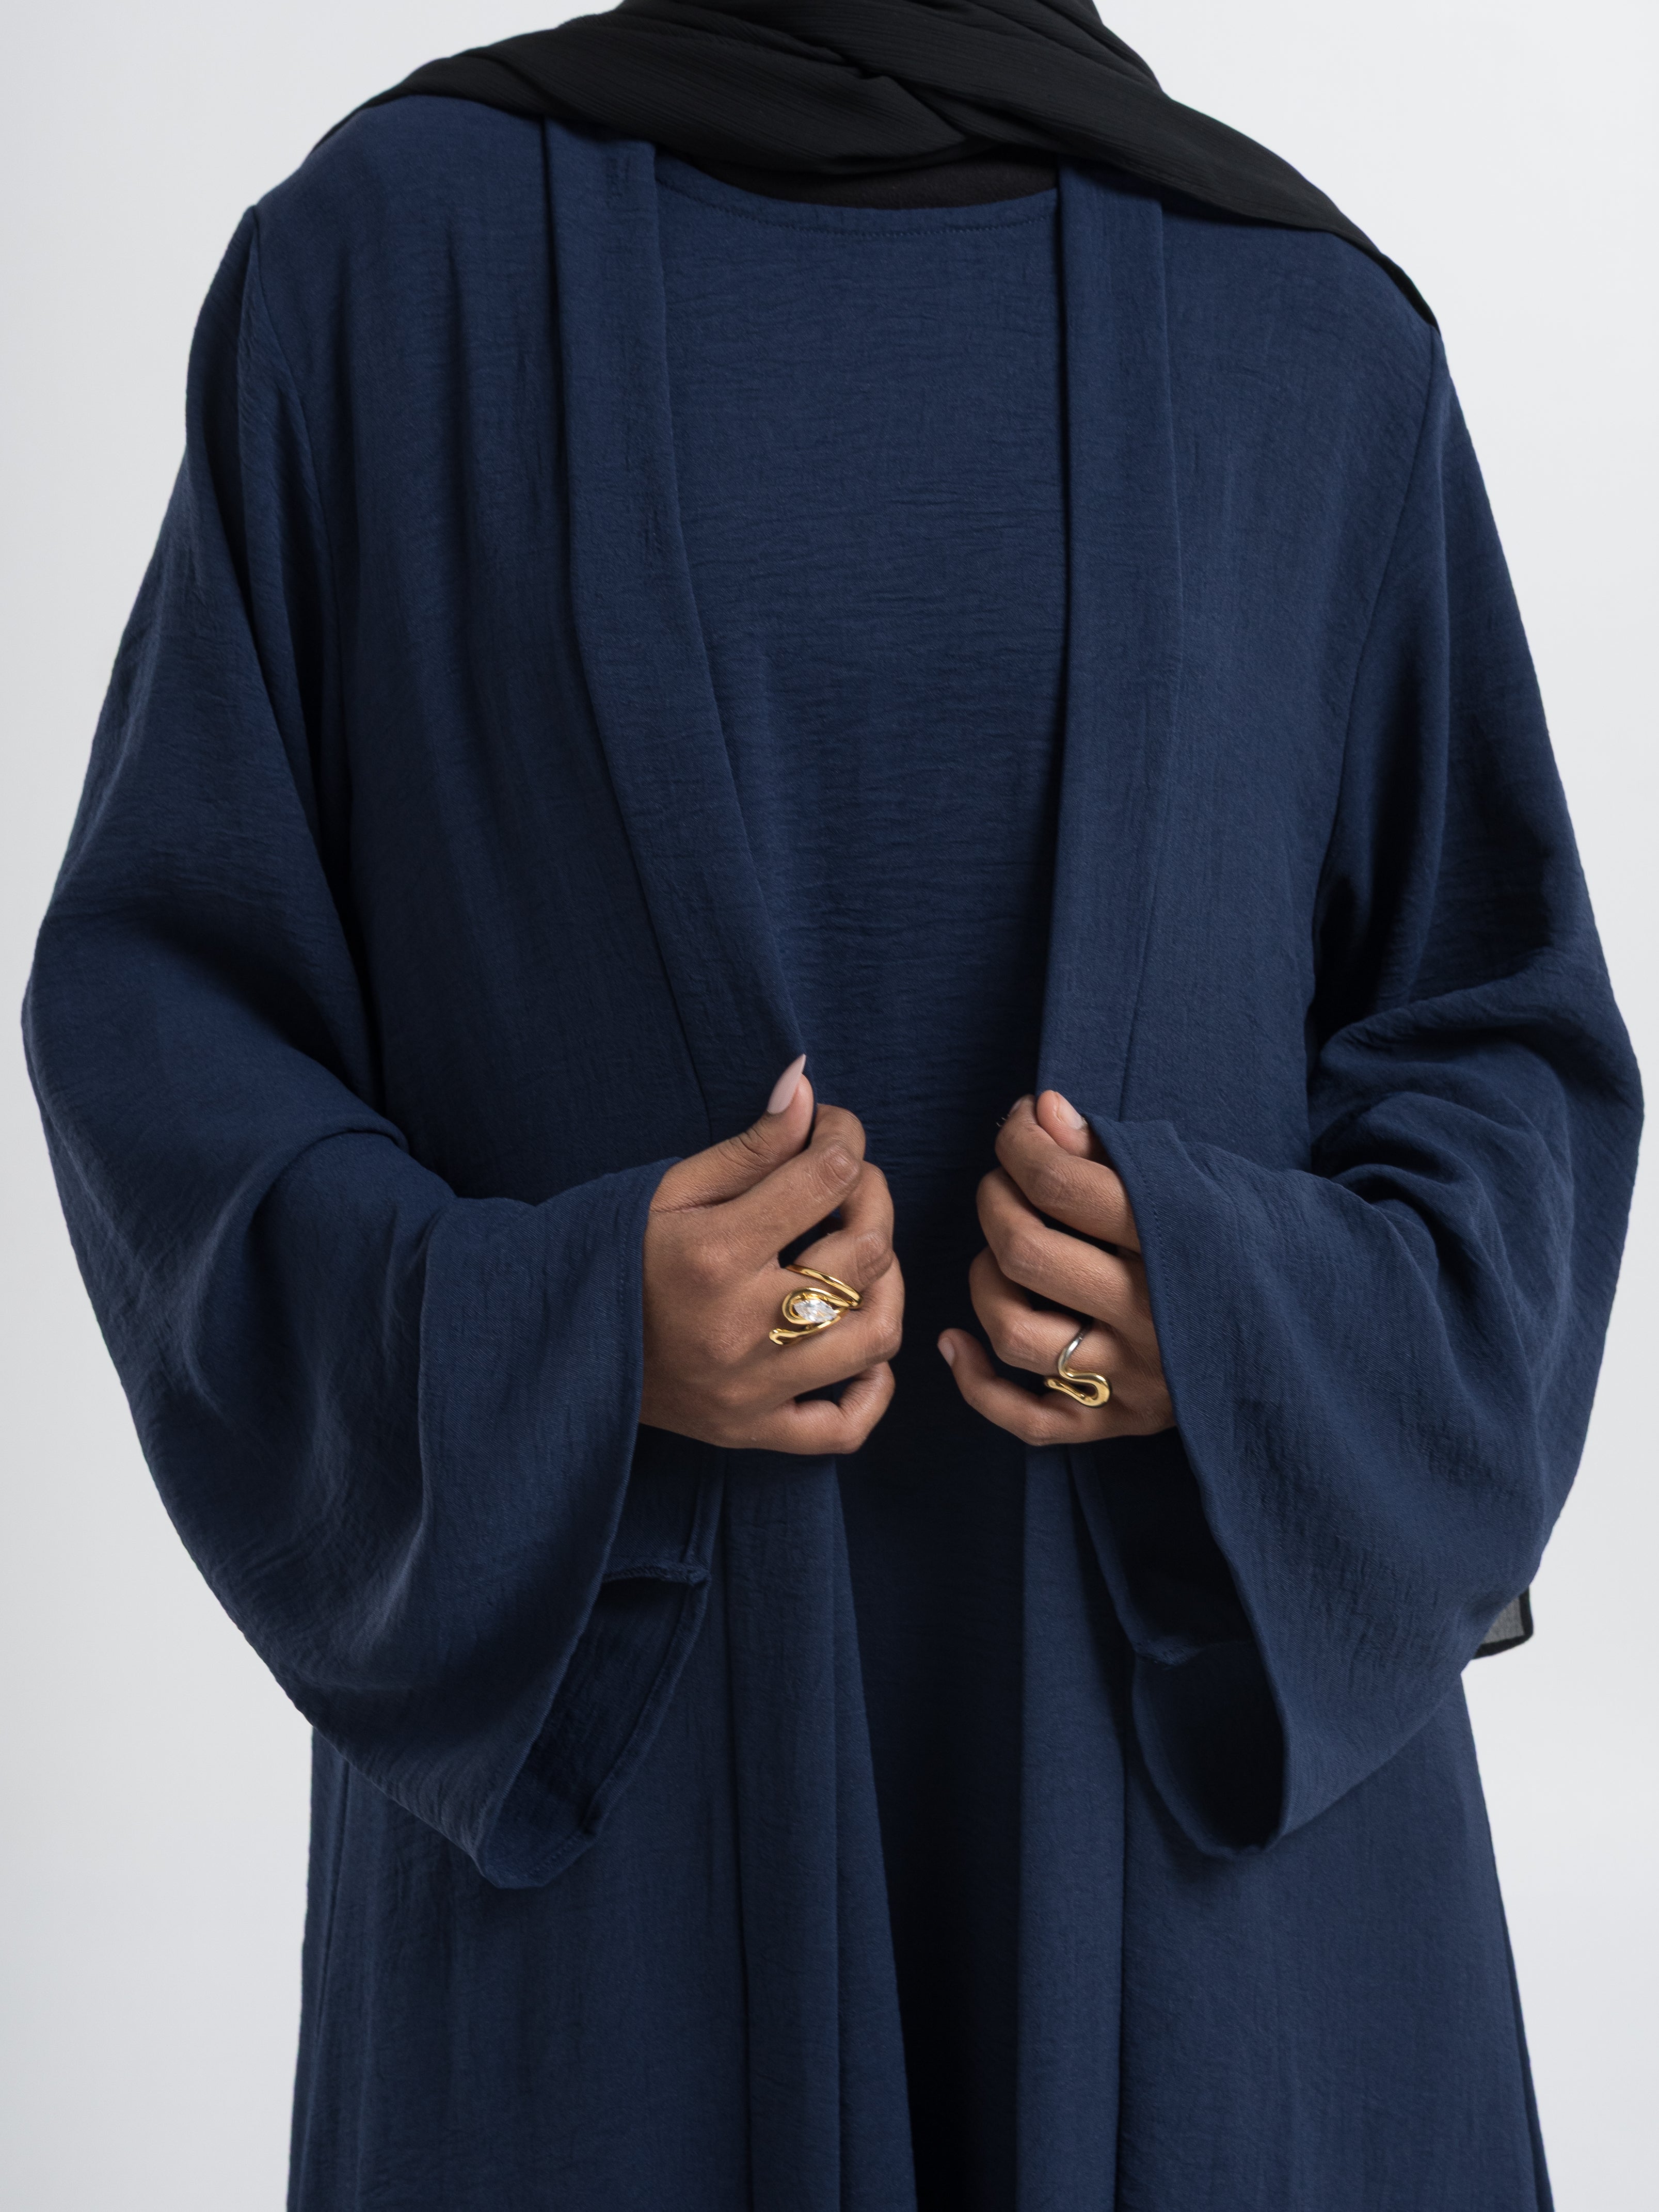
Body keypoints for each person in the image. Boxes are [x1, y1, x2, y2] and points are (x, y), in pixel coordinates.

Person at [23, 6, 1641, 2208]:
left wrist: (1233, 1325)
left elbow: (1515, 1069)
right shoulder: (387, 279)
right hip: (611, 1907)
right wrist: (573, 1334)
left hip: (1215, 1924)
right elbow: (162, 1038)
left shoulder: (1309, 336)